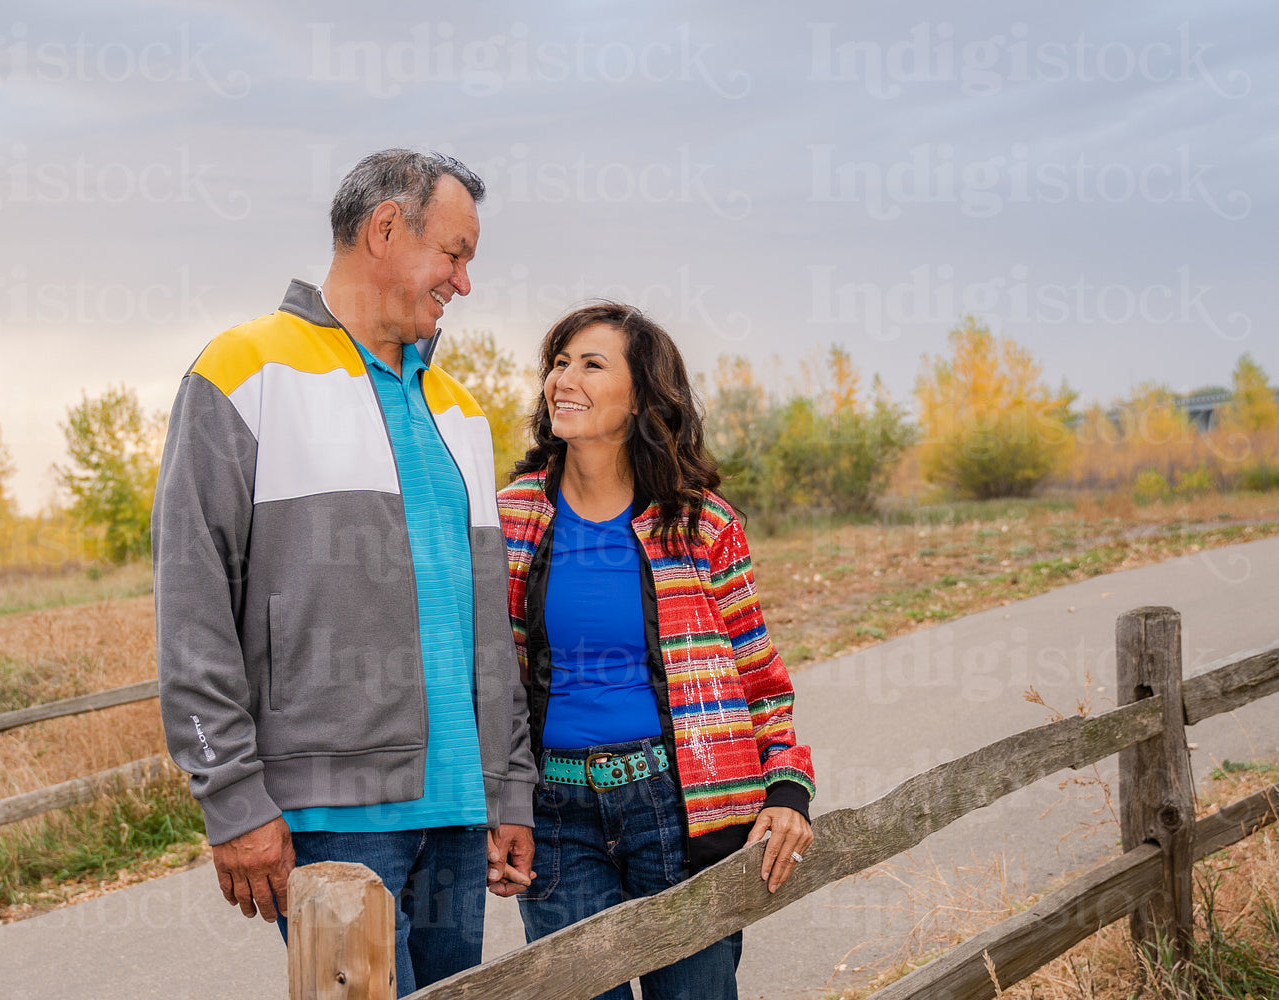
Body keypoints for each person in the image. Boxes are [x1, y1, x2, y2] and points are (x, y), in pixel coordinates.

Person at [152, 149, 536, 995]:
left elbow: (487, 630)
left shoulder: (460, 410)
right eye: (455, 254)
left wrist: (508, 791)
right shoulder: (242, 372)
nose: (463, 284)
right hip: (329, 819)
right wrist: (232, 796)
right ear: (386, 229)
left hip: (459, 812)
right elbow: (192, 606)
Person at [497, 303, 816, 1000]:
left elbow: (760, 677)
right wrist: (499, 803)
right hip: (556, 816)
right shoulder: (512, 517)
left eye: (591, 363)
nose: (563, 379)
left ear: (641, 395)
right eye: (558, 361)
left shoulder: (703, 525)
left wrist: (789, 788)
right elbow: (491, 682)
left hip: (676, 810)